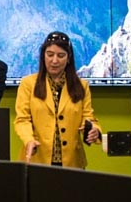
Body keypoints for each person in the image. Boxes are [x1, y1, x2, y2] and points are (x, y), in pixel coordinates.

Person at [15, 31, 102, 168]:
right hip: (37, 159)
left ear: (68, 59)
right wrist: (29, 140)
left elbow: (88, 117)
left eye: (61, 56)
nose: (54, 60)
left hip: (72, 163)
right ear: (43, 56)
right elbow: (22, 120)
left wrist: (94, 130)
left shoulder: (81, 86)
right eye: (50, 55)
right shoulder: (28, 84)